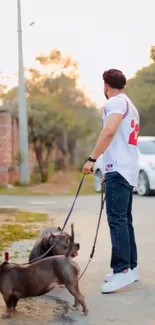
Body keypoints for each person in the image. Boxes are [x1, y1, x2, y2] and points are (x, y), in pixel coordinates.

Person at [83, 69, 139, 293]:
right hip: (124, 168)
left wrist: (92, 159)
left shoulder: (114, 103)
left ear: (106, 85)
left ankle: (121, 271)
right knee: (125, 220)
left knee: (116, 220)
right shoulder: (129, 104)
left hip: (120, 169)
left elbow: (109, 132)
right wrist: (106, 167)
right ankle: (130, 269)